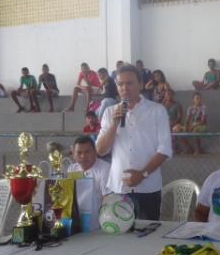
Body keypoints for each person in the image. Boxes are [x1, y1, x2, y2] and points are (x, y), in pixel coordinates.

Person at [96, 64, 172, 220]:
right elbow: (101, 150)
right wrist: (115, 123)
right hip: (118, 188)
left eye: (129, 83)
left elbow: (164, 150)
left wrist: (142, 174)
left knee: (147, 238)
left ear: (141, 84)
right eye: (120, 84)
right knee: (119, 240)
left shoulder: (157, 111)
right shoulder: (110, 112)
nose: (124, 88)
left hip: (148, 188)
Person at [67, 135, 111, 207]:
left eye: (87, 152)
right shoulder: (72, 169)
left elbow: (107, 199)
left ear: (95, 152)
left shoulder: (105, 168)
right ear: (74, 154)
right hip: (77, 214)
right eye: (79, 152)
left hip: (98, 216)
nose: (83, 156)